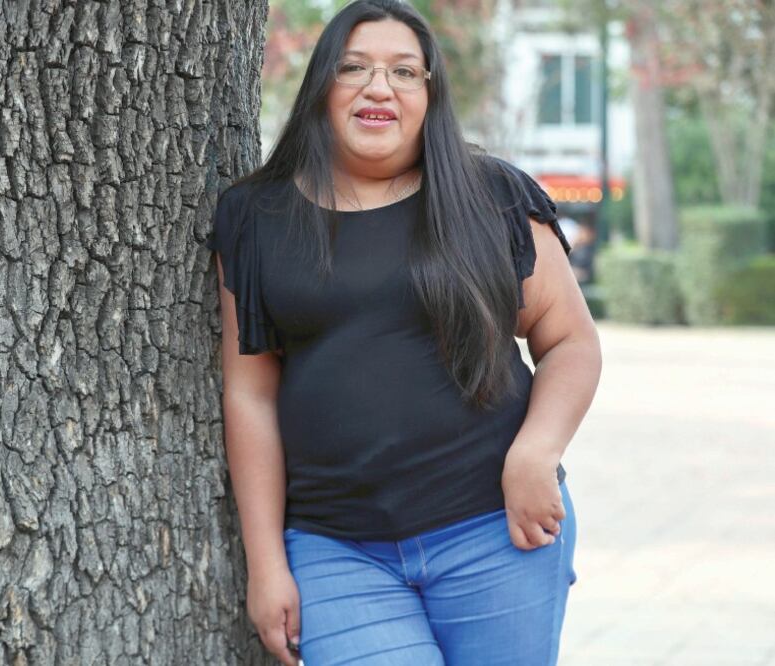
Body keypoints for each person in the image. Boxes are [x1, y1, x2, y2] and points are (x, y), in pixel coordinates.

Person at [201, 1, 602, 664]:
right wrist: (265, 562)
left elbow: (569, 341)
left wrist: (534, 453)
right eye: (352, 67)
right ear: (320, 88)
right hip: (336, 551)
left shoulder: (492, 197)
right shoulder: (254, 216)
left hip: (495, 532)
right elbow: (250, 392)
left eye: (403, 72)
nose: (377, 87)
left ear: (428, 94)